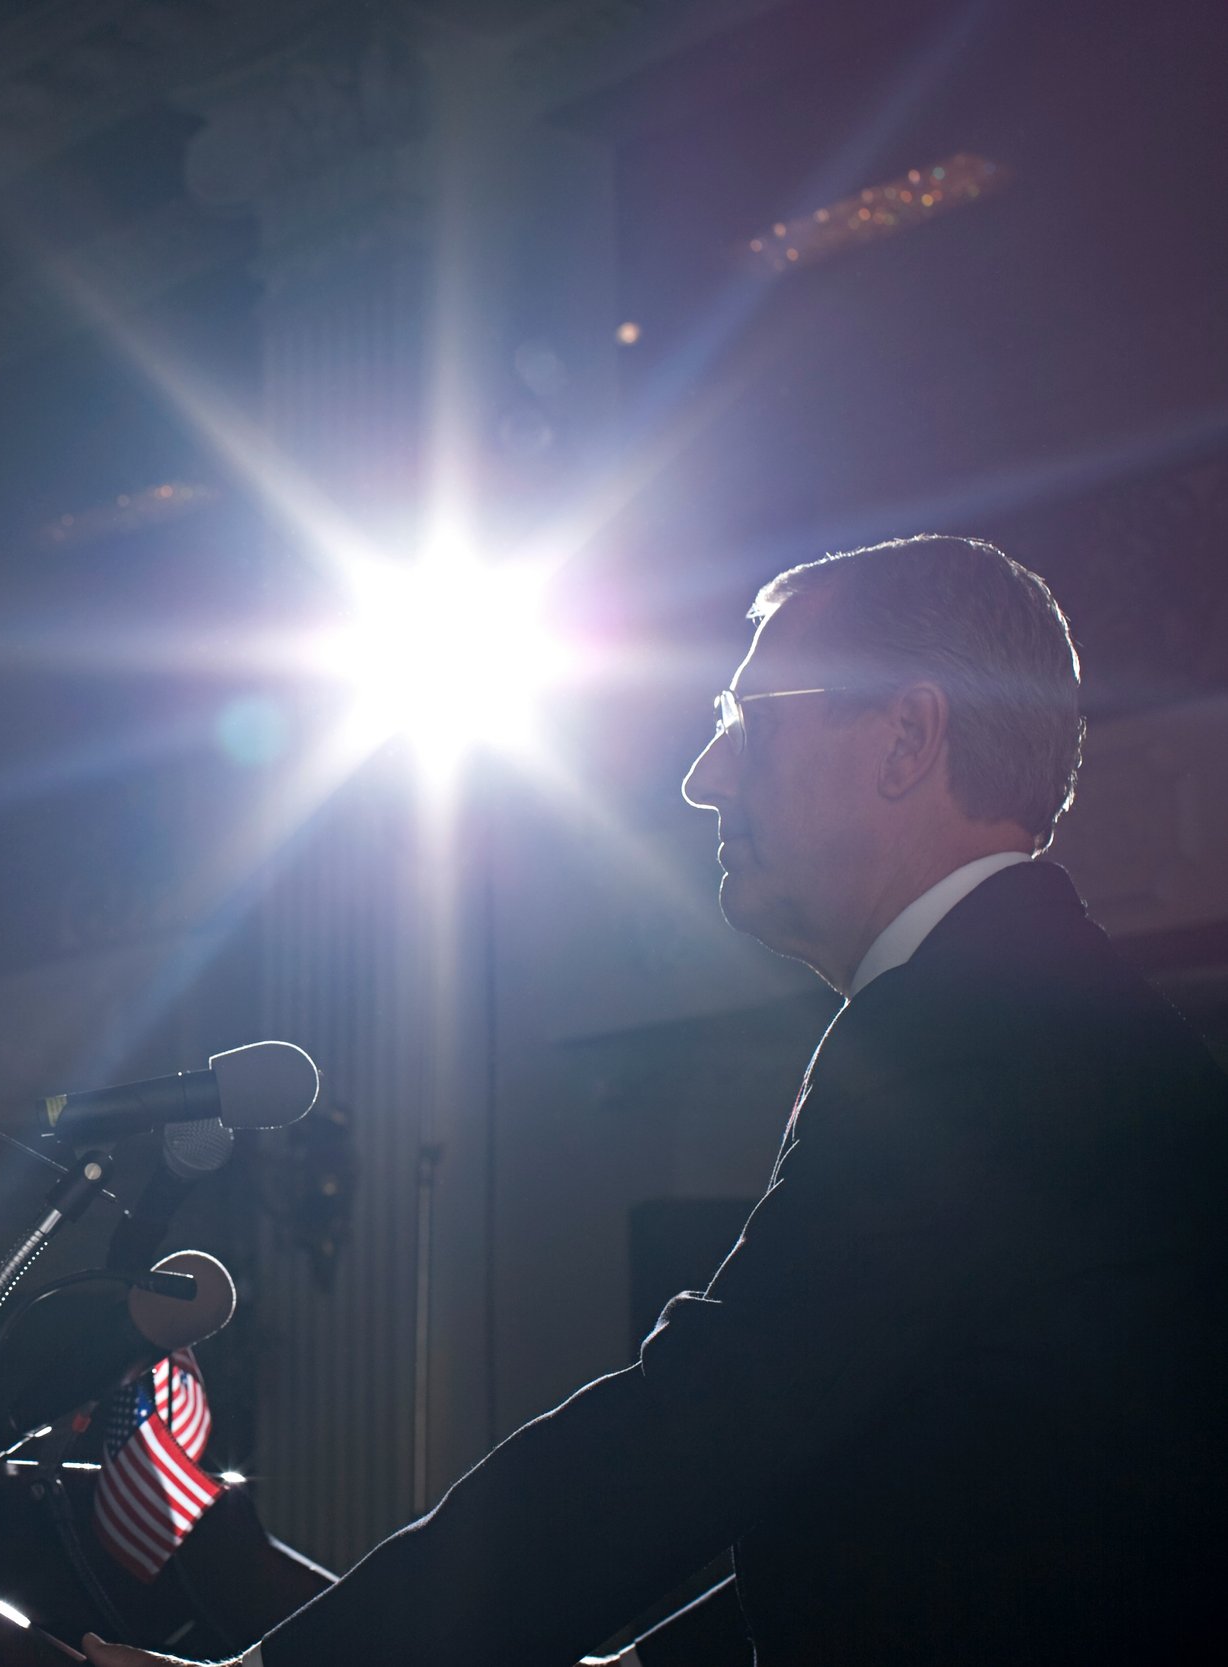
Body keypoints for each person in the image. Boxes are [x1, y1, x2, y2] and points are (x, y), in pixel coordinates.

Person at [84, 536, 1228, 1667]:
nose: (703, 775)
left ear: (906, 737)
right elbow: (912, 1499)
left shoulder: (977, 1026)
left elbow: (706, 1416)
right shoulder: (1033, 1002)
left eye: (750, 720)